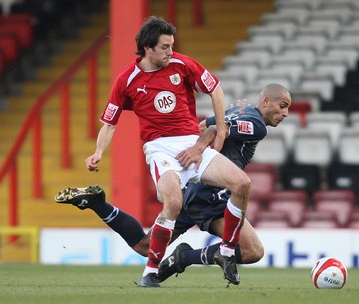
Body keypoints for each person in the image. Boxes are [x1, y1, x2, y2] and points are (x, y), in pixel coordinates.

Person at [56, 83, 292, 285]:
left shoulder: (243, 112)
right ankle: (185, 258)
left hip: (193, 190)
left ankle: (98, 204)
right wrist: (200, 148)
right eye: (283, 106)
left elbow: (202, 126)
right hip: (211, 194)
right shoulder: (257, 125)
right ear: (266, 101)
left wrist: (222, 127)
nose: (286, 113)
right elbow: (213, 129)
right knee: (252, 252)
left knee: (145, 246)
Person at [84, 16, 252, 287]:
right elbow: (110, 123)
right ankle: (150, 273)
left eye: (172, 45)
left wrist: (220, 130)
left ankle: (227, 252)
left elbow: (215, 89)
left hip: (191, 143)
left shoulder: (182, 65)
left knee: (242, 184)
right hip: (160, 148)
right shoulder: (127, 79)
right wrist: (98, 152)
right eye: (165, 47)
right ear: (148, 48)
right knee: (173, 203)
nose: (170, 52)